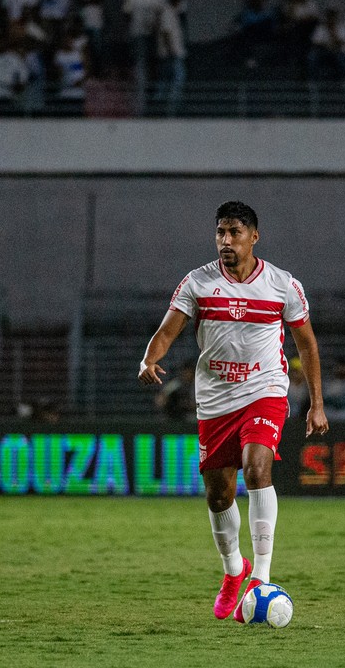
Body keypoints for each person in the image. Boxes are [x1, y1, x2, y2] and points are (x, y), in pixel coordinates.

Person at [139, 200, 328, 623]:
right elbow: (168, 329)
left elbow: (307, 345)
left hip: (265, 391)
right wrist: (148, 359)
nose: (226, 241)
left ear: (254, 237)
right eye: (221, 233)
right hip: (216, 399)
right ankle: (233, 571)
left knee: (258, 467)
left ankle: (260, 579)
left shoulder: (282, 285)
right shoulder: (198, 282)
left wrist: (316, 403)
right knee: (219, 493)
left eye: (235, 233)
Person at [155, 357, 196, 421]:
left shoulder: (197, 384)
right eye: (185, 372)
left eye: (189, 372)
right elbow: (160, 399)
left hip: (193, 415)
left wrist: (189, 405)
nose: (187, 374)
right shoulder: (176, 383)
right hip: (176, 415)